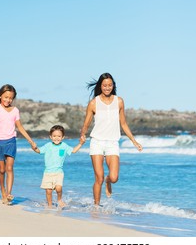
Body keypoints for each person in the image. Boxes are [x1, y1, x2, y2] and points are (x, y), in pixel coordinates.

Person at [80, 72, 143, 206]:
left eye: (110, 85)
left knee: (114, 177)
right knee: (99, 178)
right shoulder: (93, 103)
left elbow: (123, 123)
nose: (107, 87)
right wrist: (82, 134)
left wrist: (134, 141)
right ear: (100, 86)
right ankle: (96, 206)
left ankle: (109, 182)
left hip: (112, 143)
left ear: (113, 85)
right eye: (104, 85)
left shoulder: (119, 101)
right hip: (97, 142)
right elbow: (86, 123)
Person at [0, 84, 37, 204]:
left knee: (9, 168)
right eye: (6, 97)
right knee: (1, 170)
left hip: (11, 141)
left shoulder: (15, 110)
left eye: (10, 98)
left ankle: (9, 193)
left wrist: (31, 141)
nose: (8, 100)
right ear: (0, 96)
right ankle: (3, 191)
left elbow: (19, 127)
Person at [33, 125, 85, 208]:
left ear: (63, 137)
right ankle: (49, 205)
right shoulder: (48, 146)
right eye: (54, 136)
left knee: (58, 188)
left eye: (59, 136)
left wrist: (81, 144)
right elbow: (39, 151)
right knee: (48, 191)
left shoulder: (64, 146)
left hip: (58, 172)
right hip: (48, 173)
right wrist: (34, 147)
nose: (56, 138)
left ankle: (59, 200)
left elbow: (74, 151)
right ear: (50, 137)